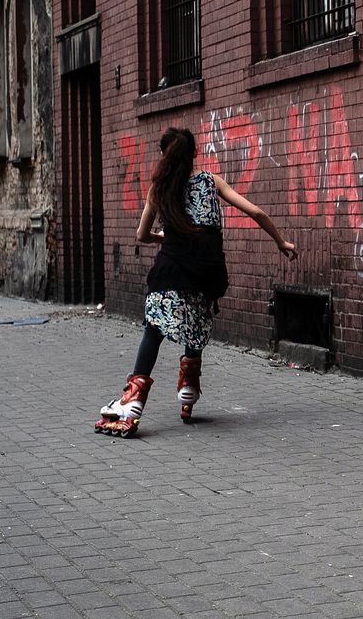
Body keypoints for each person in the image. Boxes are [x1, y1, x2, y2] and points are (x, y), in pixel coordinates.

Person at [94, 127, 297, 437]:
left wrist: (163, 236)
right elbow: (255, 211)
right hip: (208, 272)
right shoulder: (210, 181)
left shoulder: (159, 189)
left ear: (164, 155)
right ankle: (189, 388)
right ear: (193, 155)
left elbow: (141, 235)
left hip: (172, 268)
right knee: (196, 318)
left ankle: (133, 401)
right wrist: (281, 241)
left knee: (154, 327)